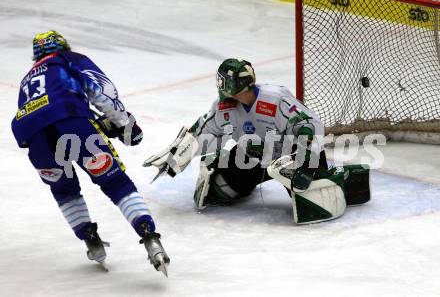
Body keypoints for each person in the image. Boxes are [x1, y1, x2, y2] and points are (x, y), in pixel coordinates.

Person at [11, 30, 169, 275]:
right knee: (115, 182)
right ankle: (149, 235)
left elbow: (39, 113)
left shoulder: (26, 79)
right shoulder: (67, 59)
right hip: (71, 120)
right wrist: (124, 124)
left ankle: (89, 238)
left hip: (34, 137)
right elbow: (102, 91)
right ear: (63, 46)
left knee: (63, 189)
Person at [144, 58, 370, 224]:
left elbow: (310, 126)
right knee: (218, 191)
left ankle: (340, 178)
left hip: (291, 156)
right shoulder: (223, 107)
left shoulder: (275, 99)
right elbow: (204, 130)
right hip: (252, 157)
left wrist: (304, 163)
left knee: (316, 204)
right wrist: (179, 151)